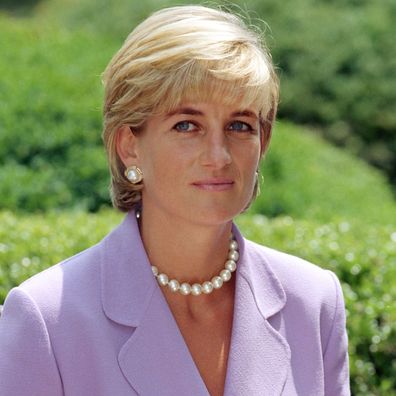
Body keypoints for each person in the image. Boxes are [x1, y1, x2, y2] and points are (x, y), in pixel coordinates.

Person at [0, 5, 350, 395]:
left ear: (262, 142)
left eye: (239, 125)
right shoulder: (47, 320)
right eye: (187, 125)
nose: (218, 155)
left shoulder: (314, 302)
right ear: (130, 146)